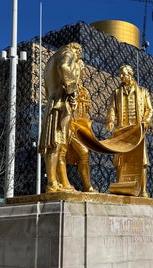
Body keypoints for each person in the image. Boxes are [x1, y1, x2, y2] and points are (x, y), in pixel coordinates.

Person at [39, 42, 86, 193]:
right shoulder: (68, 53)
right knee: (56, 142)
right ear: (77, 50)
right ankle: (52, 182)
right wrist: (72, 91)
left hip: (54, 102)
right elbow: (64, 67)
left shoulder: (51, 60)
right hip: (60, 104)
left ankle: (58, 181)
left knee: (57, 143)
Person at [105, 65, 153, 197]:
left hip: (137, 131)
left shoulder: (143, 91)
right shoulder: (116, 93)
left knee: (142, 161)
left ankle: (143, 190)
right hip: (122, 131)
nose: (121, 77)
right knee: (120, 161)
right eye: (120, 74)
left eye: (123, 74)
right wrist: (110, 121)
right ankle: (121, 187)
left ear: (130, 75)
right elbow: (112, 108)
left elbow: (149, 109)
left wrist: (145, 121)